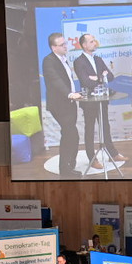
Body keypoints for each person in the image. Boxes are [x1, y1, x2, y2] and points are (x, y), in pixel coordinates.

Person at [74, 33, 123, 170]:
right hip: (89, 101)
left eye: (94, 41)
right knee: (89, 129)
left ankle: (113, 153)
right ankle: (92, 158)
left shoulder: (99, 59)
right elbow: (85, 82)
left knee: (105, 126)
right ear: (84, 45)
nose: (94, 43)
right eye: (91, 41)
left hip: (102, 99)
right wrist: (102, 77)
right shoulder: (79, 61)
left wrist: (97, 78)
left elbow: (111, 77)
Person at [43, 32, 83, 177]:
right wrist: (69, 93)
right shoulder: (48, 61)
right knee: (70, 134)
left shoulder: (63, 59)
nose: (66, 46)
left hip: (70, 102)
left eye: (65, 43)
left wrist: (74, 93)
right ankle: (65, 170)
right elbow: (55, 81)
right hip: (59, 104)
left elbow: (67, 81)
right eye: (62, 45)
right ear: (54, 48)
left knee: (71, 135)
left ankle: (68, 166)